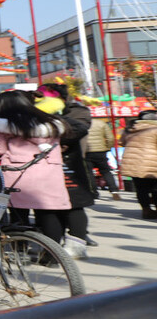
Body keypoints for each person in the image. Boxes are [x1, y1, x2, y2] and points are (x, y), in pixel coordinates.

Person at [0, 91, 83, 250]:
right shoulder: (51, 123)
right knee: (49, 213)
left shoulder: (3, 126)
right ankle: (52, 255)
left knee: (18, 214)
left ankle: (19, 250)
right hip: (50, 173)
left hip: (19, 172)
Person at [37, 83, 97, 250]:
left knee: (74, 207)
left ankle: (76, 246)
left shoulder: (77, 112)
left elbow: (79, 129)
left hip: (69, 167)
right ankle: (53, 251)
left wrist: (57, 137)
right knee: (48, 210)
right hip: (44, 169)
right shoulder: (36, 116)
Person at [119, 110, 157, 220]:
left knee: (141, 188)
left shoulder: (130, 128)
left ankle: (146, 211)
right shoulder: (154, 129)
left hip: (133, 162)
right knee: (155, 188)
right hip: (152, 162)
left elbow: (122, 142)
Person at [86, 116, 122, 200]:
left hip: (86, 151)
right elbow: (110, 138)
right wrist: (108, 147)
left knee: (89, 172)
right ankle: (114, 190)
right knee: (106, 171)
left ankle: (94, 192)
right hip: (101, 151)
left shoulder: (80, 123)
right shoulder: (101, 123)